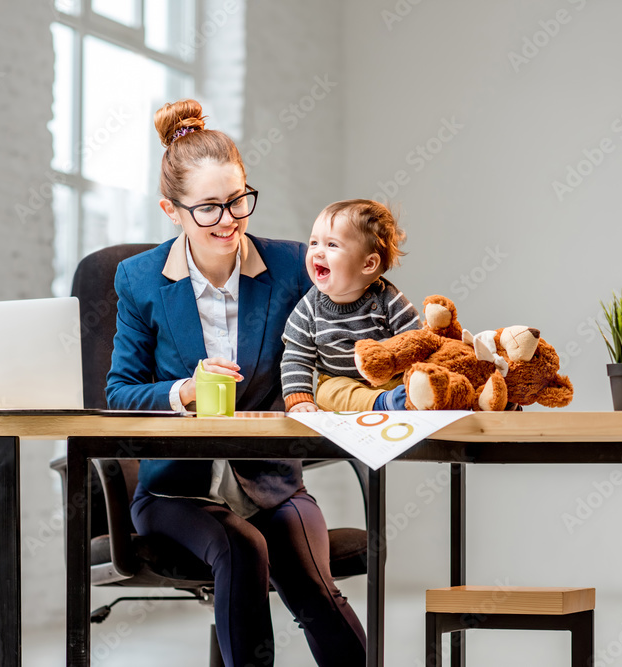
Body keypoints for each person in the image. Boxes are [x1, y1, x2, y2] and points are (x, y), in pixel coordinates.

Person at [106, 99, 365, 667]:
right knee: (241, 549)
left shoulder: (293, 266)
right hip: (176, 491)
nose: (229, 219)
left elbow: (350, 340)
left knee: (314, 586)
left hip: (272, 482)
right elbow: (119, 391)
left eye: (238, 199)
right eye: (208, 208)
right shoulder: (141, 279)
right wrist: (184, 390)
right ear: (171, 211)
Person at [281, 199, 421, 413]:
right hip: (342, 383)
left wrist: (417, 377)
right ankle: (382, 403)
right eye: (314, 242)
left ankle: (398, 398)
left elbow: (415, 342)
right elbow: (296, 355)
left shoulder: (388, 299)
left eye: (332, 245)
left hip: (389, 380)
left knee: (412, 381)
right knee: (327, 393)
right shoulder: (309, 308)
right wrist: (300, 399)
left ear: (368, 264)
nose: (318, 252)